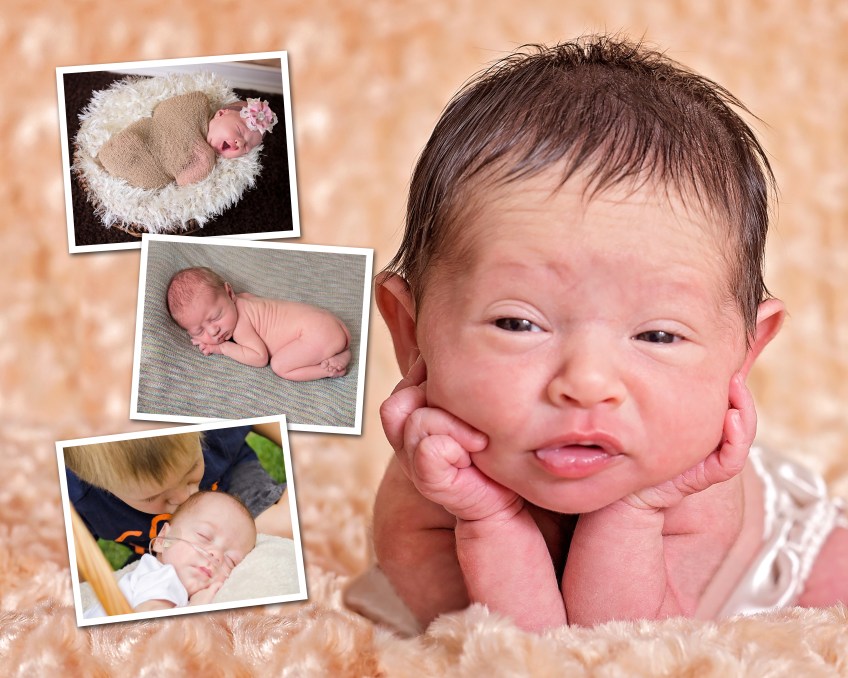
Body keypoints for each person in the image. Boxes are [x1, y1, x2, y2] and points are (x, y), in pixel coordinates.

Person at [349, 35, 848, 633]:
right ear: (411, 331)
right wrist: (488, 518)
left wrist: (639, 507)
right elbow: (517, 656)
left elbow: (623, 651)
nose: (586, 385)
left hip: (764, 569)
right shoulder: (429, 488)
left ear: (746, 351)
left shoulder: (697, 485)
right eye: (517, 323)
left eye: (658, 336)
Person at [65, 424, 291, 561]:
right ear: (100, 486)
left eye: (191, 469)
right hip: (163, 554)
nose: (186, 498)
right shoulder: (78, 496)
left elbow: (264, 413)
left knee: (280, 529)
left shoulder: (207, 426)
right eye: (152, 497)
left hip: (231, 487)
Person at [84, 491, 256, 617]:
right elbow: (147, 630)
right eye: (204, 536)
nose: (216, 555)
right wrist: (194, 610)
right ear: (162, 539)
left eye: (231, 561)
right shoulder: (163, 577)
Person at [166, 266, 352, 381]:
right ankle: (341, 351)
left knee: (280, 366)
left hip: (314, 333)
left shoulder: (240, 326)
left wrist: (221, 348)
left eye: (215, 317)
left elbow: (259, 357)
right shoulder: (244, 298)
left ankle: (329, 370)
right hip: (327, 322)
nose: (214, 331)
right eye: (199, 331)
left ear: (229, 293)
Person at [97, 92, 277, 189]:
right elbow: (165, 109)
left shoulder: (205, 159)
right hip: (144, 136)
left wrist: (204, 159)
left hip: (152, 168)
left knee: (146, 173)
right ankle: (115, 155)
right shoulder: (195, 108)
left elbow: (185, 180)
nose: (239, 143)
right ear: (221, 114)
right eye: (239, 130)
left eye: (246, 146)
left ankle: (117, 163)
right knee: (132, 142)